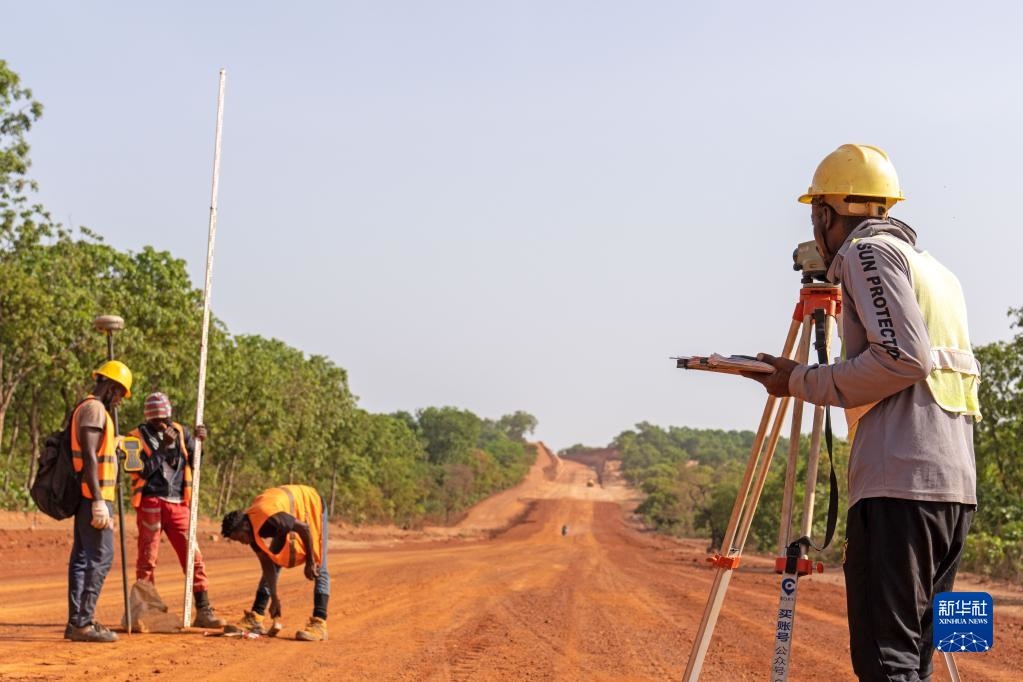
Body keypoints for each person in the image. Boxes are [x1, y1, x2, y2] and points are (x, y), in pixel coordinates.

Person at [744, 144, 980, 681]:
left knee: (885, 661)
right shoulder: (934, 269)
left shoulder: (866, 254)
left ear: (825, 213)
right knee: (915, 657)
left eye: (815, 215)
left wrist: (796, 379)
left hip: (899, 485)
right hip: (953, 493)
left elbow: (904, 358)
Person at [126, 392, 225, 629]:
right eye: (158, 420)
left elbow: (196, 460)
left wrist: (201, 441)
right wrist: (162, 447)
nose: (164, 424)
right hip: (151, 503)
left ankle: (203, 609)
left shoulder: (181, 432)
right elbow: (140, 471)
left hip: (179, 503)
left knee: (193, 556)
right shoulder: (133, 438)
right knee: (147, 559)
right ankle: (146, 610)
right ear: (149, 419)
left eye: (166, 419)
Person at [65, 360, 133, 643]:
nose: (118, 401)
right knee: (101, 557)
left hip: (90, 495)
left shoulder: (92, 409)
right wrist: (98, 501)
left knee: (82, 559)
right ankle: (83, 622)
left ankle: (76, 622)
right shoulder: (94, 408)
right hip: (94, 496)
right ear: (111, 387)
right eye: (119, 394)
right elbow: (91, 457)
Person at [220, 484, 330, 641]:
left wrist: (309, 562)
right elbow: (267, 566)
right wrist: (275, 598)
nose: (242, 543)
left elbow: (304, 528)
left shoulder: (269, 516)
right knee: (273, 560)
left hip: (311, 504)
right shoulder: (252, 531)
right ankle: (256, 617)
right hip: (288, 513)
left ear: (244, 526)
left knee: (319, 565)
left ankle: (320, 623)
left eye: (240, 538)